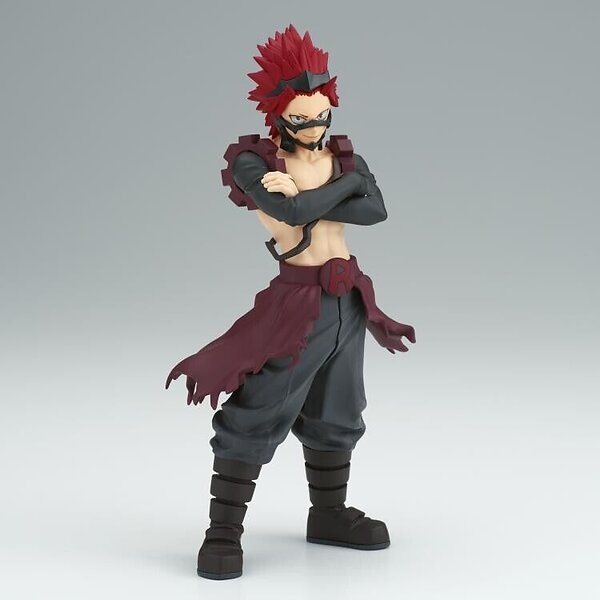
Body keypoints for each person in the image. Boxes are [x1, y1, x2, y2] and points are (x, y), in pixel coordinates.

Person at [166, 24, 416, 580]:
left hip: (347, 297)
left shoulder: (341, 155)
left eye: (322, 115)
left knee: (339, 406)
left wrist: (312, 195)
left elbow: (376, 211)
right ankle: (223, 530)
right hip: (297, 300)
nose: (316, 128)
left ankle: (328, 513)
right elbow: (294, 216)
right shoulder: (253, 162)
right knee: (260, 404)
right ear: (277, 116)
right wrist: (340, 190)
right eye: (302, 119)